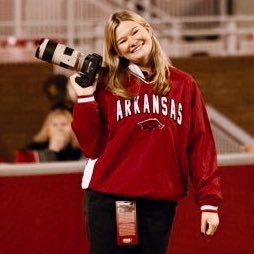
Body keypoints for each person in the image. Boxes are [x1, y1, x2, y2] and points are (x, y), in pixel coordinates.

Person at [69, 10, 223, 254]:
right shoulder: (107, 84)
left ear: (148, 29)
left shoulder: (184, 84)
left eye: (135, 32)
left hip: (159, 203)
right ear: (116, 51)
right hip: (112, 199)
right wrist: (85, 98)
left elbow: (201, 144)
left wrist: (209, 202)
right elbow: (90, 147)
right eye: (122, 40)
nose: (132, 41)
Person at [14, 109, 82, 162]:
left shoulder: (81, 150)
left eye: (64, 124)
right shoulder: (33, 149)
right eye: (54, 125)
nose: (59, 128)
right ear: (48, 130)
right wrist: (52, 150)